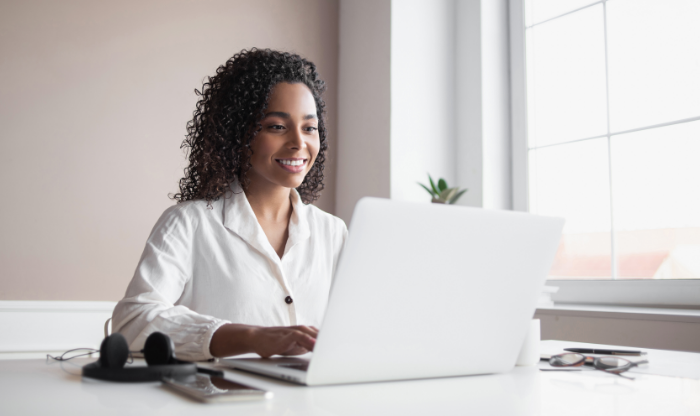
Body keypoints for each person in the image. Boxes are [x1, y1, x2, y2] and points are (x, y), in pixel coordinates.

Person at [111, 49, 347, 361]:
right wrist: (252, 337)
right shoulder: (189, 223)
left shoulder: (332, 231)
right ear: (239, 132)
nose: (298, 142)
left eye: (309, 127)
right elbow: (132, 323)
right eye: (277, 126)